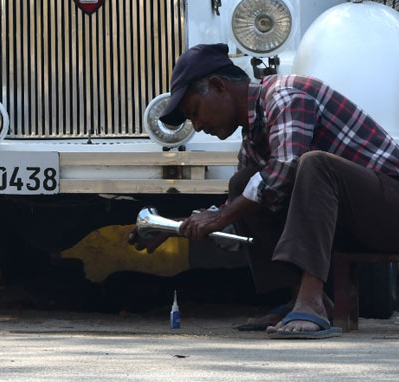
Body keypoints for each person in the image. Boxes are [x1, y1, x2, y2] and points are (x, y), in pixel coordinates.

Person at [134, 43, 399, 338]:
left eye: (195, 112)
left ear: (219, 87)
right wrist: (175, 228)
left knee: (312, 165)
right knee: (242, 185)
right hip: (352, 220)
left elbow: (287, 166)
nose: (197, 124)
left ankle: (311, 302)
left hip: (389, 209)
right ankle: (298, 295)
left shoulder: (285, 94)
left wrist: (221, 216)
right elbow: (240, 205)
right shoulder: (252, 138)